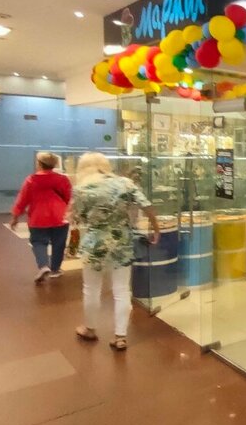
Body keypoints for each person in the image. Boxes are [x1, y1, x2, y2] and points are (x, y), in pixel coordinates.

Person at [71, 152, 159, 352]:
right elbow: (147, 206)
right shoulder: (125, 183)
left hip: (94, 243)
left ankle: (90, 329)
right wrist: (156, 229)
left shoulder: (81, 189)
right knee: (121, 290)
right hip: (122, 242)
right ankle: (120, 337)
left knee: (91, 288)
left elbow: (79, 218)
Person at [10, 151, 72, 284]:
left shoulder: (31, 180)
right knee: (59, 243)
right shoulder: (63, 179)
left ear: (39, 164)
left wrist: (15, 216)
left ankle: (44, 266)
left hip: (38, 217)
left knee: (38, 242)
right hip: (60, 217)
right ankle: (55, 269)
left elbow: (22, 200)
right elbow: (68, 197)